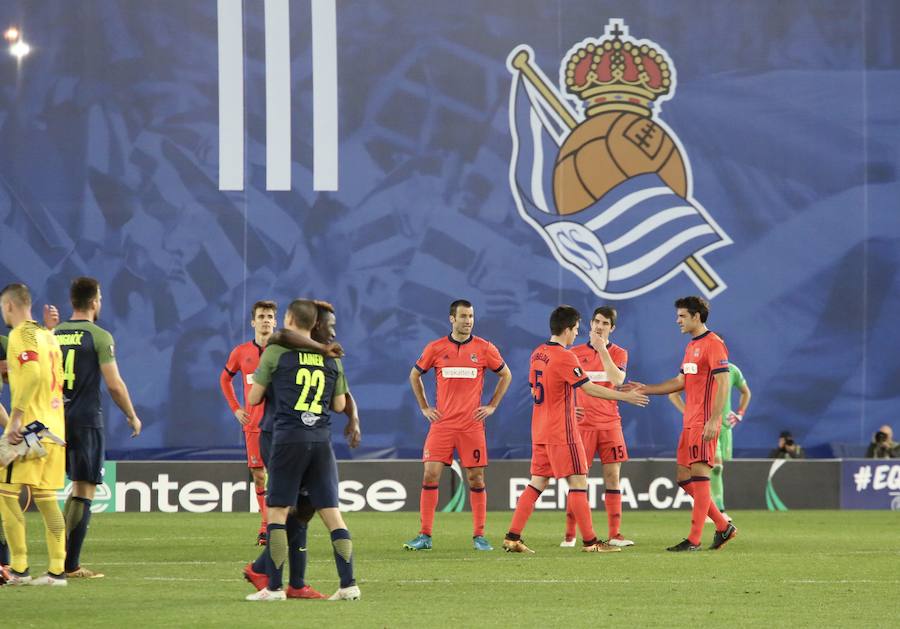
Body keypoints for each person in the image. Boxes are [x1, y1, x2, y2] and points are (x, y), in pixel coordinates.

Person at [503, 305, 648, 554]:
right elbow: (589, 388)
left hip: (540, 429)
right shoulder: (565, 356)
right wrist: (624, 398)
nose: (576, 334)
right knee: (579, 482)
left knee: (537, 482)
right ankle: (591, 542)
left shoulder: (537, 353)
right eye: (577, 329)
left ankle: (512, 537)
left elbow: (533, 390)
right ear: (568, 329)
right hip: (563, 431)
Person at [242, 300, 358, 599]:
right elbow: (340, 405)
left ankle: (275, 588)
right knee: (332, 514)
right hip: (321, 440)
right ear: (316, 323)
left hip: (288, 438)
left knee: (278, 511)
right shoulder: (333, 358)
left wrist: (273, 385)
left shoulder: (277, 351)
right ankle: (348, 585)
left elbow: (254, 398)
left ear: (290, 318)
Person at [623, 296, 737, 552]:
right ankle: (722, 525)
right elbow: (680, 382)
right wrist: (647, 389)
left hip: (704, 422)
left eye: (682, 316)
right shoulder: (691, 346)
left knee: (699, 477)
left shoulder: (714, 344)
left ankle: (694, 539)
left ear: (697, 316)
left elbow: (724, 383)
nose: (677, 321)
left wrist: (714, 418)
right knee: (684, 478)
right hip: (690, 421)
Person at [404, 299, 513, 552]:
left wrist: (492, 405)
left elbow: (506, 374)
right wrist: (424, 407)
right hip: (442, 425)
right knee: (430, 475)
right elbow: (414, 374)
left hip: (471, 426)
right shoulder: (436, 348)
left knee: (476, 478)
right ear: (452, 319)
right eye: (463, 316)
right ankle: (425, 536)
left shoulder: (485, 348)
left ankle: (479, 536)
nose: (468, 321)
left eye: (471, 316)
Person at [52, 277, 142, 578]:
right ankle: (70, 565)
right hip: (86, 420)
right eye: (100, 298)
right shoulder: (100, 336)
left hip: (53, 420)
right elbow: (114, 385)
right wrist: (131, 414)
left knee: (41, 490)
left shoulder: (53, 333)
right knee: (83, 489)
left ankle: (51, 561)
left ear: (71, 301)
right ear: (94, 302)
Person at [0, 283, 67, 585]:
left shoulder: (21, 334)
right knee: (47, 498)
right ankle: (56, 571)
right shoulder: (48, 336)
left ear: (10, 306)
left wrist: (15, 418)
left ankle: (19, 568)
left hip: (31, 429)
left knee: (5, 493)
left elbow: (33, 373)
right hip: (55, 428)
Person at [562, 306, 634, 548]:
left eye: (604, 323)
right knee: (577, 480)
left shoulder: (620, 353)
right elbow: (562, 385)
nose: (599, 326)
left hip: (610, 424)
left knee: (613, 478)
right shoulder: (574, 352)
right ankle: (570, 535)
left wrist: (603, 350)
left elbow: (617, 380)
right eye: (596, 322)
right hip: (582, 426)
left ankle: (615, 534)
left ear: (612, 328)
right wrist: (571, 407)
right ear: (590, 324)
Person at [219, 300, 278, 545]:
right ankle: (266, 526)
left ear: (275, 321)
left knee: (280, 475)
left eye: (270, 316)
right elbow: (225, 379)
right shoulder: (241, 352)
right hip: (253, 424)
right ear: (253, 322)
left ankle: (280, 525)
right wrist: (236, 408)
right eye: (262, 316)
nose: (266, 320)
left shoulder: (283, 351)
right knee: (258, 475)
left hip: (280, 423)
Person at [669, 359, 750, 519]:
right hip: (704, 426)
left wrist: (740, 413)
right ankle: (715, 510)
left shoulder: (732, 370)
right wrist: (689, 413)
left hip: (724, 428)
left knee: (716, 469)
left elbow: (746, 392)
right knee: (713, 467)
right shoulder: (696, 371)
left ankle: (712, 509)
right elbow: (673, 394)